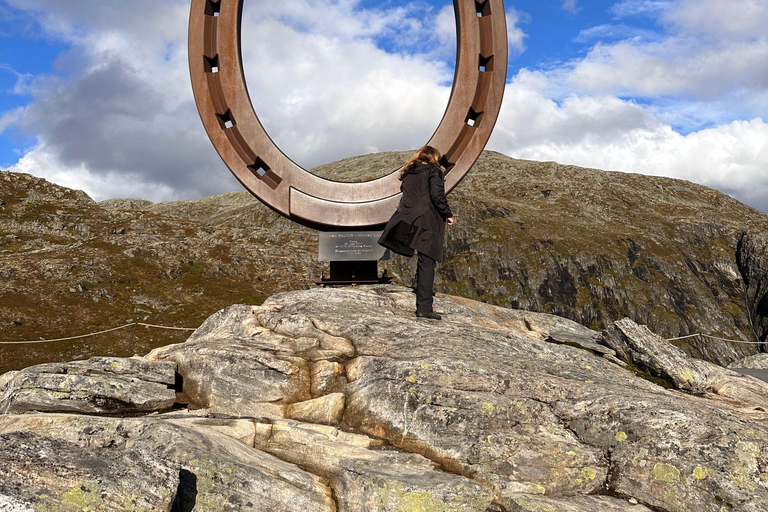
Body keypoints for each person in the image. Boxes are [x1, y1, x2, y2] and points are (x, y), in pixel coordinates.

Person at [378, 146, 454, 320]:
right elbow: (437, 196)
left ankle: (423, 301)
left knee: (423, 261)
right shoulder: (434, 172)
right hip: (427, 221)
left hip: (408, 219)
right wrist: (448, 214)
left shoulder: (409, 173)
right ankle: (424, 308)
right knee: (427, 262)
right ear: (434, 157)